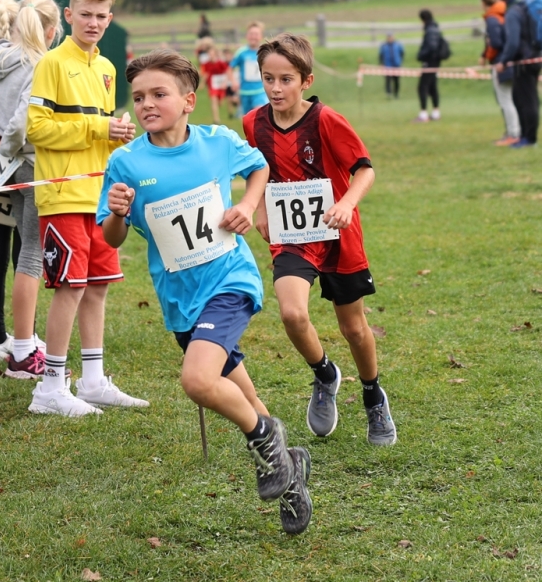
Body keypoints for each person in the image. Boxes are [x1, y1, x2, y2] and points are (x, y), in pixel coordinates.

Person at [97, 47, 312, 535]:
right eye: (139, 97)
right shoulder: (126, 163)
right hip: (180, 299)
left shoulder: (216, 142)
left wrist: (247, 204)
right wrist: (115, 211)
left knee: (197, 380)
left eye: (159, 93)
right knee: (235, 387)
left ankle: (266, 436)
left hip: (229, 281)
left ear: (189, 99)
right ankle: (290, 470)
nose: (148, 103)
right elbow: (111, 238)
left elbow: (259, 168)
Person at [243, 33, 396, 447]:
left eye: (286, 79)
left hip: (338, 234)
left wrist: (346, 203)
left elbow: (364, 169)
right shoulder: (253, 123)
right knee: (293, 314)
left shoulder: (327, 120)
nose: (276, 88)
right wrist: (258, 209)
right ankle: (325, 373)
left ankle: (372, 396)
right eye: (268, 78)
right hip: (291, 237)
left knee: (353, 327)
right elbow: (256, 172)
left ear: (305, 80)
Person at [26, 0, 149, 416]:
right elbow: (36, 128)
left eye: (101, 16)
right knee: (70, 288)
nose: (93, 22)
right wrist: (100, 128)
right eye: (86, 14)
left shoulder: (108, 69)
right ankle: (50, 389)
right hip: (61, 195)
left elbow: (100, 135)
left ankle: (93, 380)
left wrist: (119, 137)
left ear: (110, 19)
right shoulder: (51, 64)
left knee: (97, 286)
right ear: (68, 15)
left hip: (98, 197)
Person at [0, 0, 65, 379]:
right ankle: (23, 351)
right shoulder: (41, 65)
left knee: (24, 247)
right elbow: (23, 119)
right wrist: (7, 148)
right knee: (32, 254)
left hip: (10, 170)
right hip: (31, 163)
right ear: (51, 31)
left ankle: (23, 343)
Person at [0, 0, 20, 362]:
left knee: (3, 236)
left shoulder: (9, 55)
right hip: (1, 159)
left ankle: (0, 332)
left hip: (5, 165)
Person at [494, 0, 540, 147]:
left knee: (525, 100)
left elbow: (512, 41)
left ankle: (529, 138)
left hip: (524, 61)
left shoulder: (513, 12)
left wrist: (503, 61)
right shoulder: (524, 5)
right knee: (525, 98)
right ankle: (525, 136)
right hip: (534, 56)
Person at [478, 0, 520, 146]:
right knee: (511, 100)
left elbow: (495, 42)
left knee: (505, 101)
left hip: (500, 62)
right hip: (511, 61)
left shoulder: (492, 18)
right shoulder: (505, 12)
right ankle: (514, 131)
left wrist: (488, 55)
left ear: (484, 2)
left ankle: (513, 133)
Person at [229, 21, 268, 116]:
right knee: (249, 120)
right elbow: (229, 68)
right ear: (247, 36)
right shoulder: (241, 52)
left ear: (261, 36)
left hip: (260, 91)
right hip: (244, 92)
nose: (253, 37)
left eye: (256, 34)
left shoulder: (266, 52)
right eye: (251, 34)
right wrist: (233, 81)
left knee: (259, 114)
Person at [414, 9, 444, 122]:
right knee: (432, 87)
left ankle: (423, 114)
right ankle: (436, 113)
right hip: (435, 62)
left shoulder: (430, 30)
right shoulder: (435, 28)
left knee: (423, 87)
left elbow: (432, 47)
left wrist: (421, 55)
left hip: (430, 62)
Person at [201, 42, 229, 124]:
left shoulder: (221, 63)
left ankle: (219, 104)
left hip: (221, 84)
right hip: (212, 85)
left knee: (220, 102)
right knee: (213, 100)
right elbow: (206, 73)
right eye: (209, 53)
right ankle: (216, 119)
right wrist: (202, 83)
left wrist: (225, 82)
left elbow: (228, 72)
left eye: (212, 53)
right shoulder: (207, 64)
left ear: (215, 54)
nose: (210, 55)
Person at [378, 33, 404, 98]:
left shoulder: (398, 45)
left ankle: (396, 94)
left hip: (396, 65)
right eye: (389, 37)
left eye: (391, 37)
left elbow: (402, 53)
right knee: (388, 80)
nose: (390, 39)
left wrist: (400, 61)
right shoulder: (384, 46)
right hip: (388, 65)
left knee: (396, 80)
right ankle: (388, 93)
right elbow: (380, 55)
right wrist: (381, 63)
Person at [222, 47, 239, 119]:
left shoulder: (235, 63)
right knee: (228, 99)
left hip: (235, 83)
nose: (227, 57)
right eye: (226, 55)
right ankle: (230, 114)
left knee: (235, 99)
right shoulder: (224, 64)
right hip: (228, 84)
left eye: (229, 55)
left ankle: (239, 111)